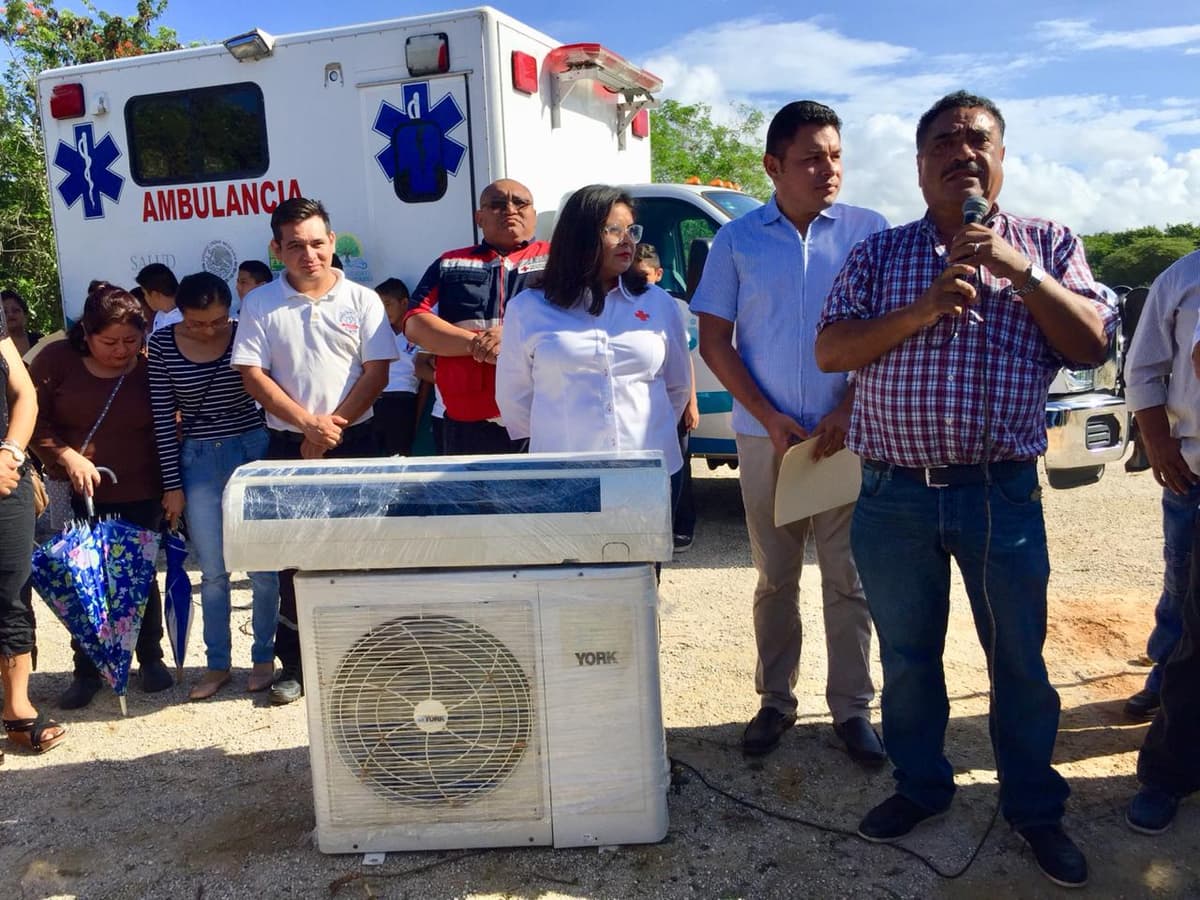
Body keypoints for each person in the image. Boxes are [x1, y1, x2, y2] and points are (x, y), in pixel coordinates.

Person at [814, 90, 1114, 889]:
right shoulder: (880, 255)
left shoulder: (1048, 242)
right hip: (893, 498)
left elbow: (1091, 342)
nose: (961, 153)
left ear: (1002, 158)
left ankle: (1035, 808)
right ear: (919, 167)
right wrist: (922, 309)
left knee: (1017, 660)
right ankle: (921, 786)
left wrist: (1023, 273)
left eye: (977, 140)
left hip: (998, 495)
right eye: (942, 143)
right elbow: (832, 351)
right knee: (910, 659)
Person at [691, 100, 887, 764]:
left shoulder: (869, 230)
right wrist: (768, 415)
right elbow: (714, 339)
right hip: (763, 436)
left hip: (845, 436)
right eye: (810, 158)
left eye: (834, 155)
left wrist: (850, 408)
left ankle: (853, 709)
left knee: (849, 576)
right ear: (773, 165)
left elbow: (884, 335)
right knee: (775, 577)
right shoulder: (737, 240)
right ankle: (776, 700)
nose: (827, 169)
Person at [232, 197, 394, 705]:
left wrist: (330, 429)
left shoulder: (363, 300)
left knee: (364, 551)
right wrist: (306, 426)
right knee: (294, 558)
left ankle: (368, 657)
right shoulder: (260, 303)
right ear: (277, 248)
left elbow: (378, 371)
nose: (309, 254)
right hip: (287, 447)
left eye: (318, 243)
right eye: (296, 245)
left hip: (356, 441)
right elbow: (251, 374)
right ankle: (297, 666)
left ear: (332, 242)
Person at [31, 284, 174, 709]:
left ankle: (150, 657)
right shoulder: (56, 361)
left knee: (139, 575)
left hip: (140, 486)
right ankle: (87, 668)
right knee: (84, 577)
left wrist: (172, 486)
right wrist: (65, 456)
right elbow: (32, 420)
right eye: (109, 342)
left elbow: (171, 424)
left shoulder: (149, 366)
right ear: (86, 335)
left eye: (131, 341)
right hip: (80, 490)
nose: (121, 350)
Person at [496, 184, 690, 494]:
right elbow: (515, 399)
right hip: (565, 478)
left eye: (632, 230)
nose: (628, 240)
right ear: (580, 236)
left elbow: (676, 387)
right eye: (614, 230)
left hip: (651, 471)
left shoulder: (659, 304)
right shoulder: (529, 309)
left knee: (647, 546)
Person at [148, 272, 280, 700]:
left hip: (252, 449)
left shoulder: (245, 334)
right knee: (214, 570)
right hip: (198, 458)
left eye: (217, 321)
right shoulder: (164, 345)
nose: (208, 330)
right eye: (196, 322)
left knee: (263, 565)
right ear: (178, 313)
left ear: (231, 311)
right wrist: (172, 485)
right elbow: (164, 423)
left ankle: (263, 658)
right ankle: (217, 663)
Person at [403, 179, 550, 454]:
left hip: (541, 419)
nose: (510, 210)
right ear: (479, 218)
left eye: (521, 203)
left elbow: (581, 320)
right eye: (497, 204)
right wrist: (475, 345)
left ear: (534, 214)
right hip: (465, 423)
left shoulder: (559, 260)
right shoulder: (449, 263)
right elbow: (414, 322)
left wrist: (513, 338)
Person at [1119, 249, 1200, 721]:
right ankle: (1166, 678)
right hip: (1193, 468)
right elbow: (1144, 367)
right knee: (1182, 583)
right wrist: (1156, 442)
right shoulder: (1182, 276)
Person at [1, 300, 67, 758]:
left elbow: (23, 393)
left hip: (6, 478)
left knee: (12, 593)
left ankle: (16, 708)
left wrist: (11, 454)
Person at [635, 243, 698, 553]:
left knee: (679, 467)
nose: (640, 281)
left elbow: (682, 363)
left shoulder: (668, 305)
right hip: (646, 415)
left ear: (659, 274)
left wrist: (690, 403)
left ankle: (681, 525)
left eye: (645, 275)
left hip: (668, 409)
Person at [373, 278, 421, 456]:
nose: (384, 312)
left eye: (388, 304)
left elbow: (422, 382)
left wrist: (417, 415)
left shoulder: (417, 334)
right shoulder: (377, 334)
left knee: (398, 455)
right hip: (375, 400)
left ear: (404, 303)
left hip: (403, 401)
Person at [137, 263, 181, 333]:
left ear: (155, 294)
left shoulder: (185, 318)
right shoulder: (158, 315)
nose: (145, 298)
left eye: (144, 294)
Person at [1, 290, 44, 358]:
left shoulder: (40, 341)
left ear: (25, 315)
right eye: (5, 312)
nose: (10, 315)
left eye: (15, 310)